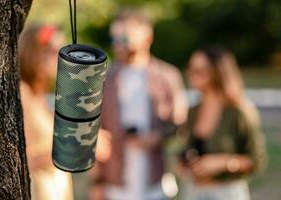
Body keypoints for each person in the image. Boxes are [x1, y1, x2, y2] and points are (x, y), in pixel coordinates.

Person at [93, 10, 188, 200]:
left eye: (125, 38)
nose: (118, 45)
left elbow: (179, 124)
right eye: (115, 39)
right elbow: (96, 131)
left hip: (156, 183)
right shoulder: (104, 79)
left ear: (147, 38)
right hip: (116, 184)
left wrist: (156, 137)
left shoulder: (168, 76)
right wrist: (97, 182)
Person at [177, 46, 266, 200]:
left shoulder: (239, 111)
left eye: (199, 70)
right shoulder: (193, 111)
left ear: (217, 72)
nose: (192, 74)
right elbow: (186, 149)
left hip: (227, 193)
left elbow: (256, 160)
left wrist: (223, 162)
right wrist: (184, 165)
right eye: (191, 69)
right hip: (194, 191)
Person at [19, 23, 73, 200]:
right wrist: (75, 146)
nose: (60, 59)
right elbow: (21, 161)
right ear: (32, 52)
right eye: (52, 51)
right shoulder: (22, 93)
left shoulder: (40, 95)